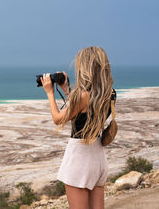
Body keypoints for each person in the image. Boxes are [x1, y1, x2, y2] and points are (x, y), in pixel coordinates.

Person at [40, 46, 116, 209]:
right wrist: (67, 91)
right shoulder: (110, 94)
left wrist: (50, 93)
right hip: (98, 158)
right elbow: (84, 111)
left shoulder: (81, 96)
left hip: (80, 158)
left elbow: (58, 119)